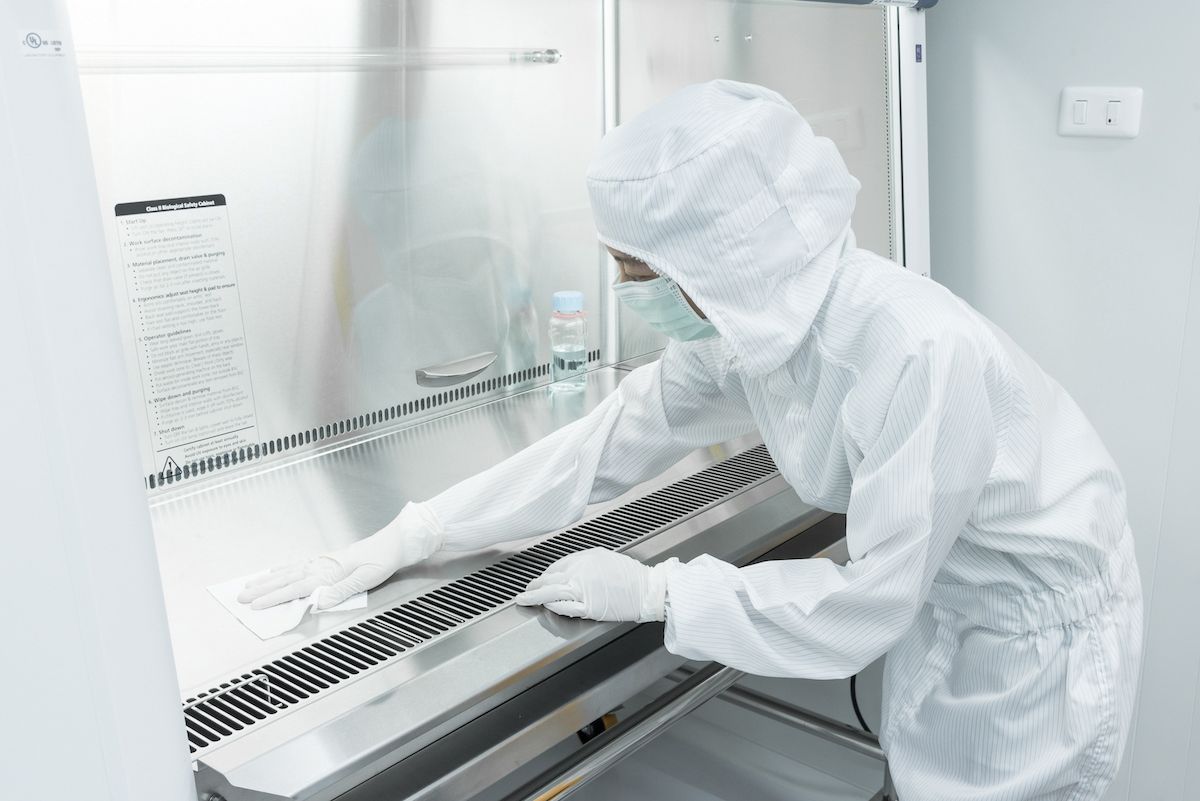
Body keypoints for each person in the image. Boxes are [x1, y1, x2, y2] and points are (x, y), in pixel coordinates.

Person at [240, 81, 1142, 801]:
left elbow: (863, 607)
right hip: (949, 606)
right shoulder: (756, 330)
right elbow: (607, 440)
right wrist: (421, 531)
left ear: (722, 257)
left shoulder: (915, 352)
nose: (632, 290)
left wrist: (659, 591)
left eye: (639, 272)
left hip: (1035, 639)